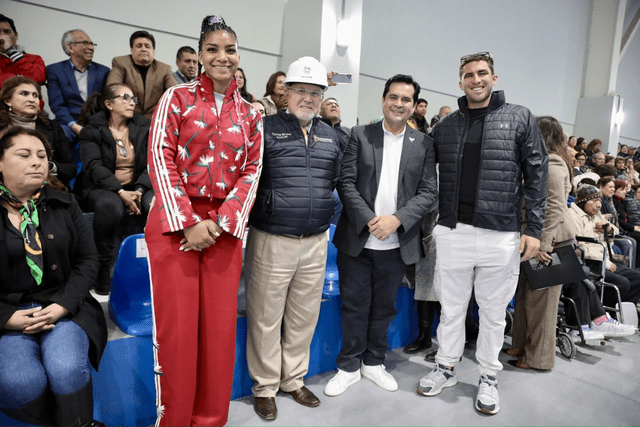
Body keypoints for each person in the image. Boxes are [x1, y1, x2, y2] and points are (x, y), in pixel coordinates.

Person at [146, 15, 263, 426]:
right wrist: (189, 221)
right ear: (199, 55)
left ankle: (211, 422)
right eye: (212, 49)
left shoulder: (251, 114)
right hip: (174, 225)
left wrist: (217, 223)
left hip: (223, 231)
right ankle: (174, 420)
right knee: (178, 336)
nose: (221, 56)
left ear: (238, 56)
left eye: (229, 49)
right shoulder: (175, 99)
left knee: (217, 336)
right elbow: (160, 160)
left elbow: (252, 171)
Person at [416, 52, 548, 416]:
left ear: (493, 77)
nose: (476, 79)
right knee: (451, 308)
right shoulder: (446, 126)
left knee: (492, 312)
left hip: (500, 233)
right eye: (469, 75)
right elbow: (421, 169)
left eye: (482, 73)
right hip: (454, 231)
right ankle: (446, 367)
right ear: (460, 81)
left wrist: (533, 230)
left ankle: (488, 377)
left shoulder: (519, 118)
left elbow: (537, 176)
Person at [324, 74, 437, 397]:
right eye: (394, 97)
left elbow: (429, 192)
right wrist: (372, 220)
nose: (399, 104)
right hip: (358, 238)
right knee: (354, 305)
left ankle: (373, 362)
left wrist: (397, 220)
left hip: (396, 243)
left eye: (406, 99)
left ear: (413, 106)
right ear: (384, 100)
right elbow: (345, 182)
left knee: (384, 308)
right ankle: (347, 367)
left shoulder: (425, 145)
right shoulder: (359, 135)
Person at [244, 56, 343, 421]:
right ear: (285, 92)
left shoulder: (332, 135)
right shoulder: (264, 128)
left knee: (303, 316)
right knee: (266, 318)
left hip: (316, 241)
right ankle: (266, 387)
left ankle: (293, 379)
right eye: (301, 90)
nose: (308, 98)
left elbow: (339, 183)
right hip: (272, 238)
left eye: (315, 92)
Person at [0, 127, 107, 426]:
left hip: (62, 305)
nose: (37, 162)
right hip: (9, 313)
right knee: (19, 384)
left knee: (66, 368)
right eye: (24, 155)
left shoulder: (66, 202)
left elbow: (88, 261)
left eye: (42, 156)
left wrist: (62, 305)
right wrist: (6, 317)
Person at [508, 116, 575, 371]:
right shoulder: (540, 159)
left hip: (550, 242)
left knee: (542, 304)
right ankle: (521, 345)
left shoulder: (555, 163)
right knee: (526, 297)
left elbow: (555, 208)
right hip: (533, 240)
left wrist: (543, 246)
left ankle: (540, 359)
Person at [77, 83, 153, 295]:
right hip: (102, 186)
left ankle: (148, 271)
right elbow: (93, 166)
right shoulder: (92, 130)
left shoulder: (144, 126)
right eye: (125, 98)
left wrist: (138, 189)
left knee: (154, 203)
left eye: (133, 98)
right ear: (109, 104)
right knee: (111, 207)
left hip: (138, 185)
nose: (131, 102)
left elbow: (153, 163)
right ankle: (103, 272)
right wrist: (120, 191)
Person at [567, 185, 640, 313]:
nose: (599, 205)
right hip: (589, 262)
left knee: (637, 277)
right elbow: (579, 246)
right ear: (583, 201)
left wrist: (608, 228)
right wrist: (606, 263)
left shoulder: (596, 214)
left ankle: (622, 312)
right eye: (594, 201)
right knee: (622, 283)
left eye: (600, 201)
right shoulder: (573, 216)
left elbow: (615, 230)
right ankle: (603, 313)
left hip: (604, 259)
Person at [0, 76, 76, 189]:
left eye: (35, 95)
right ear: (8, 100)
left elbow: (70, 169)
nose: (32, 99)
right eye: (24, 94)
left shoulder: (52, 127)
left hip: (48, 187)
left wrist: (46, 165)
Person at [46, 29, 110, 144]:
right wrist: (73, 125)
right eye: (85, 43)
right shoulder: (55, 70)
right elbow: (57, 105)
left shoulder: (103, 71)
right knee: (58, 137)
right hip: (68, 123)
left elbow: (105, 104)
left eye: (92, 44)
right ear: (70, 47)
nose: (91, 48)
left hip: (94, 123)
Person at [106, 30, 177, 119]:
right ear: (131, 50)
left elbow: (177, 93)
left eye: (147, 46)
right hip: (126, 119)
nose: (143, 49)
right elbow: (112, 89)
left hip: (154, 121)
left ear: (153, 51)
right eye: (139, 46)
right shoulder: (121, 63)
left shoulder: (164, 69)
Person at [0, 14, 46, 87]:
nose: (2, 37)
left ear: (16, 35)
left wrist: (10, 50)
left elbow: (39, 78)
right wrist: (22, 79)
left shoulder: (34, 58)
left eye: (6, 31)